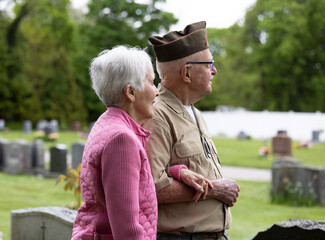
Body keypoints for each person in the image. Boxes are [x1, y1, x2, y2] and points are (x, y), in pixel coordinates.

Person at [71, 45, 211, 240]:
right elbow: (127, 231)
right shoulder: (121, 140)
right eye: (150, 82)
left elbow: (126, 182)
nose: (157, 92)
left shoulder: (109, 124)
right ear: (131, 92)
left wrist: (176, 172)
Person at [144, 21, 241, 240]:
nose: (214, 71)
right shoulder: (157, 116)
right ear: (187, 73)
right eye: (209, 64)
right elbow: (153, 186)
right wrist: (214, 189)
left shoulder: (193, 111)